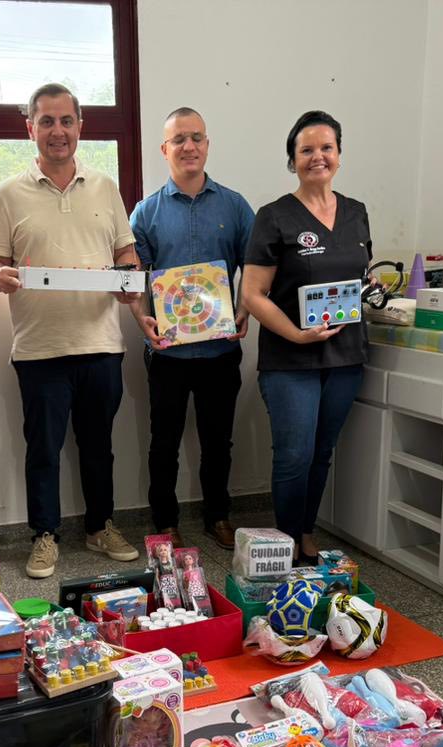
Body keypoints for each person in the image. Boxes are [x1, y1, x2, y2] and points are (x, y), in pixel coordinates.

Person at [0, 83, 142, 579]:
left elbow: (124, 253)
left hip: (101, 343)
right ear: (29, 127)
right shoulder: (9, 193)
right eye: (46, 121)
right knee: (43, 450)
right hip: (39, 349)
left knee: (99, 445)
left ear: (80, 126)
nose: (57, 131)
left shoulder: (105, 187)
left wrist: (129, 278)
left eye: (66, 121)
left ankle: (100, 526)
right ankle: (44, 535)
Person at [241, 110, 372, 565]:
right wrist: (297, 335)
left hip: (344, 357)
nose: (318, 156)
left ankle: (305, 532)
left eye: (327, 148)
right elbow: (253, 294)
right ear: (293, 160)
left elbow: (357, 279)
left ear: (339, 154)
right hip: (290, 359)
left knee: (321, 453)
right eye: (307, 150)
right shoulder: (274, 217)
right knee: (293, 455)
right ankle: (285, 542)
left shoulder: (356, 213)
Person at [129, 107, 255, 551]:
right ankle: (165, 523)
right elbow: (134, 279)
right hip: (168, 352)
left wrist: (245, 308)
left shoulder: (236, 206)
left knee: (219, 441)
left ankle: (217, 516)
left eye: (196, 137)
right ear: (165, 150)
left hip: (221, 350)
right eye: (179, 139)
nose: (188, 147)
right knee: (163, 443)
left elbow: (256, 269)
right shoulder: (145, 212)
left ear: (207, 145)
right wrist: (140, 319)